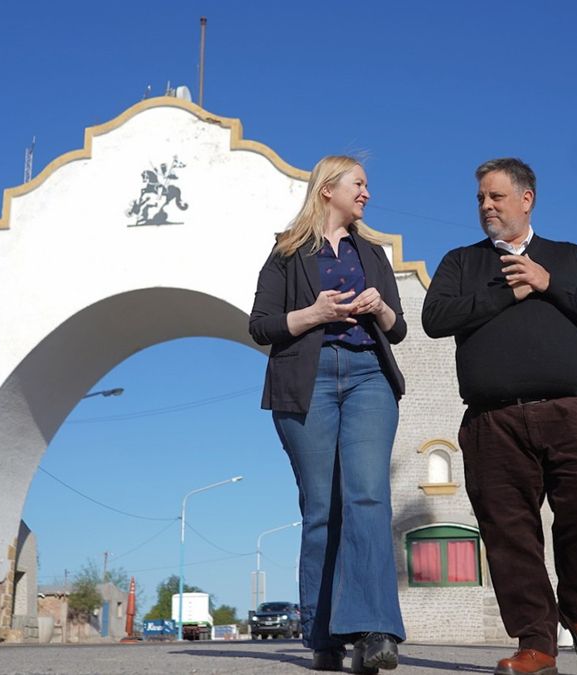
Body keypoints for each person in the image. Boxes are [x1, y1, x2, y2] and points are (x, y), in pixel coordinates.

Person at [422, 158, 577, 675]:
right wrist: (508, 291)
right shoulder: (461, 262)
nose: (486, 206)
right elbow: (435, 319)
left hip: (572, 411)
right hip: (493, 420)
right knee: (508, 531)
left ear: (526, 198)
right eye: (480, 199)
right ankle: (536, 641)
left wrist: (547, 281)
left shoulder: (568, 257)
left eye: (496, 197)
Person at [249, 155, 407, 673]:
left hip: (368, 376)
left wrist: (379, 308)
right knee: (322, 509)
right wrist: (315, 313)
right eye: (358, 184)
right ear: (327, 190)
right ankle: (323, 635)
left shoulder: (373, 253)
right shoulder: (286, 252)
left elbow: (398, 326)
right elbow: (261, 325)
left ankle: (376, 631)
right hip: (307, 381)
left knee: (367, 497)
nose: (366, 193)